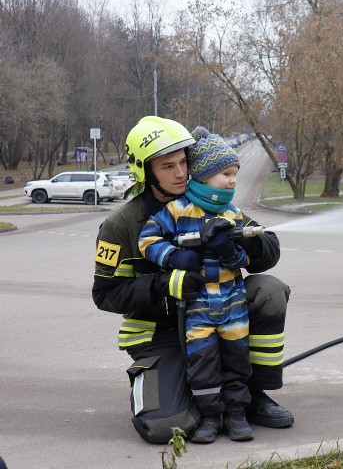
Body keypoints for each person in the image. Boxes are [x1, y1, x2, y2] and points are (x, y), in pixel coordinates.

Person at [92, 116, 293, 444]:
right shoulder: (122, 225)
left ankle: (251, 394)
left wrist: (239, 242)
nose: (180, 173)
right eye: (167, 166)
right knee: (165, 426)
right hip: (161, 334)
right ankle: (184, 390)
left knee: (269, 291)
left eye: (183, 163)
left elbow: (268, 250)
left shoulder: (208, 200)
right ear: (146, 172)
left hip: (222, 314)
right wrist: (166, 284)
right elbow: (105, 294)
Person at [138, 134, 255, 442]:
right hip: (198, 308)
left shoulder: (233, 214)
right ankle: (210, 417)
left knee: (237, 359)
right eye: (226, 174)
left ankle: (236, 414)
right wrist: (175, 257)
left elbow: (246, 257)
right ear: (203, 175)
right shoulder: (177, 211)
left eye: (234, 174)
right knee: (202, 362)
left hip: (233, 304)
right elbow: (147, 240)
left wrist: (230, 252)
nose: (232, 181)